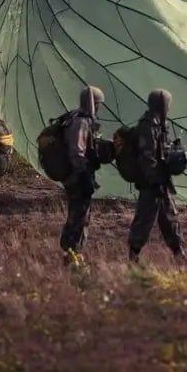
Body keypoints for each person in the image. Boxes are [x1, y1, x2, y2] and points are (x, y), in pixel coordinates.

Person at [128, 89, 186, 263]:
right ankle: (134, 255)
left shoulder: (160, 125)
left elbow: (160, 151)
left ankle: (178, 252)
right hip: (151, 183)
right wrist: (154, 180)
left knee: (170, 217)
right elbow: (147, 156)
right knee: (144, 220)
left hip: (161, 181)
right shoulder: (148, 126)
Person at [60, 85, 104, 263]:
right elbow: (76, 151)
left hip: (76, 177)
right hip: (77, 179)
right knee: (78, 218)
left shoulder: (75, 118)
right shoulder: (81, 122)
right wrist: (84, 174)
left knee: (79, 216)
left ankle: (73, 254)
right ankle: (72, 255)